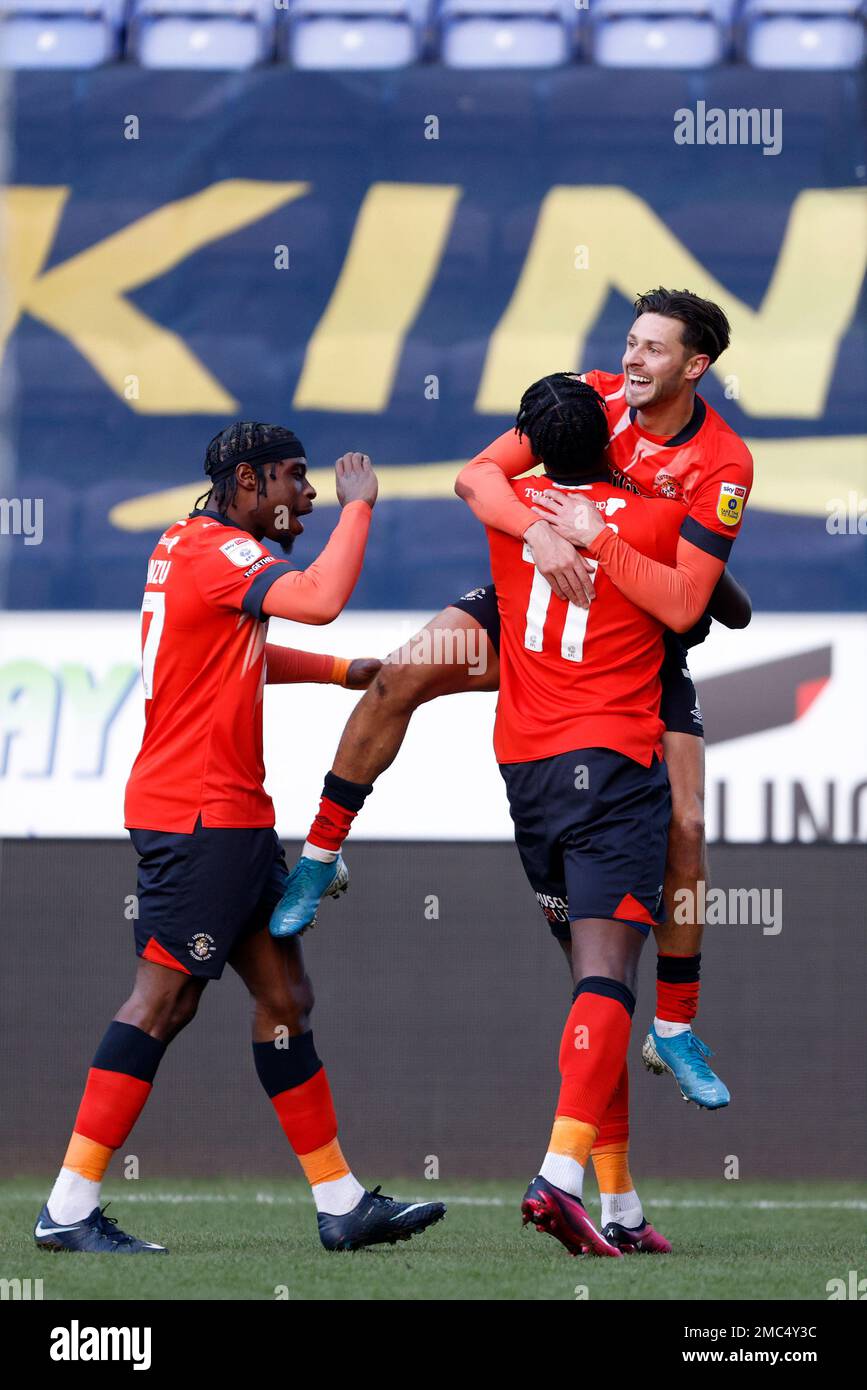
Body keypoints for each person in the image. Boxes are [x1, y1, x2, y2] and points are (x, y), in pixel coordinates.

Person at [270, 289, 753, 1113]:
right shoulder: (590, 396)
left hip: (638, 641)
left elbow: (683, 607)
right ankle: (319, 857)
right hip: (528, 605)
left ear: (695, 367)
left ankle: (673, 1027)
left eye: (653, 350)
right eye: (629, 343)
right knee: (400, 676)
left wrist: (597, 538)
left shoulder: (724, 464)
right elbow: (477, 476)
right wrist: (535, 532)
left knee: (686, 827)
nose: (631, 360)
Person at [34, 422, 445, 1255]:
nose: (307, 496)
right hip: (197, 817)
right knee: (162, 1003)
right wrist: (360, 511)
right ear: (247, 481)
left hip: (228, 816)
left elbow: (229, 651)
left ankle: (340, 1204)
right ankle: (69, 1210)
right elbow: (321, 600)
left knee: (285, 1001)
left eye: (312, 484)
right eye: (295, 479)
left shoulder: (194, 547)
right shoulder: (218, 552)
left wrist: (336, 674)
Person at [482, 374, 685, 1255]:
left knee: (591, 989)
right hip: (609, 765)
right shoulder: (645, 519)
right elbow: (717, 605)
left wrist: (531, 505)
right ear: (606, 429)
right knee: (608, 981)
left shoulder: (505, 504)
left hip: (527, 772)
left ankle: (621, 1206)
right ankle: (556, 1180)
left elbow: (478, 472)